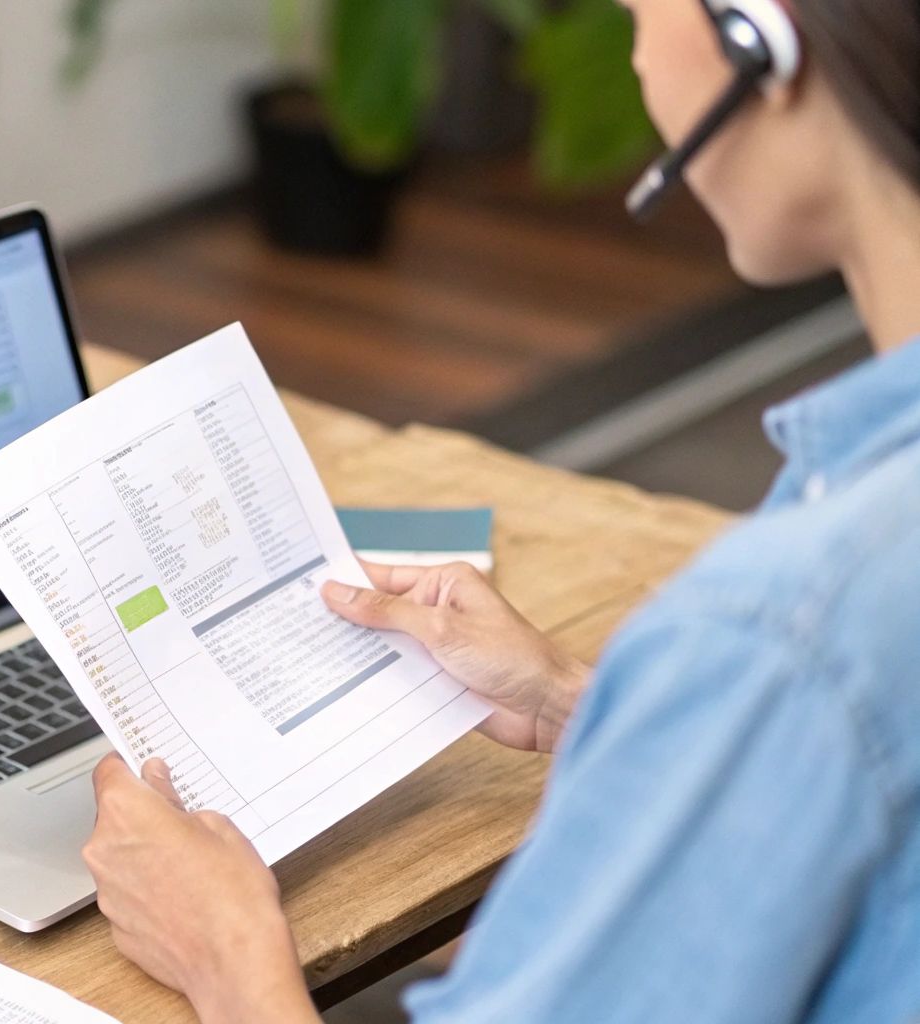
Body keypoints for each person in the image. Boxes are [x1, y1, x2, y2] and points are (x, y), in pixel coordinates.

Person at [81, 0, 920, 1020]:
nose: (639, 55)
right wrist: (577, 698)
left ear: (758, 43)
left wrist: (222, 949)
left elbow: (813, 680)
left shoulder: (777, 629)